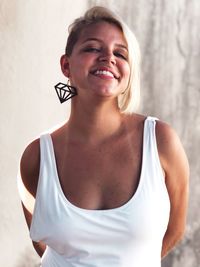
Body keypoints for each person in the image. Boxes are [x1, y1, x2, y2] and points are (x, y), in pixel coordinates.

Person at [18, 6, 189, 267]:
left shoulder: (160, 141)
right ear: (66, 65)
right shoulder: (37, 156)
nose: (108, 57)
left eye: (120, 53)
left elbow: (175, 230)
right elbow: (42, 245)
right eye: (92, 48)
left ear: (128, 70)